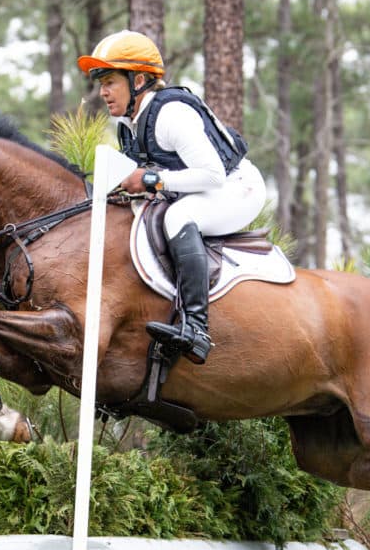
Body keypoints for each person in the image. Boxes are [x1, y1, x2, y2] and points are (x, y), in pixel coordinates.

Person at [77, 30, 267, 364]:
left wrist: (149, 179)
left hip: (237, 188)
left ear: (137, 80)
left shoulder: (170, 115)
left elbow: (211, 175)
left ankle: (196, 327)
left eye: (109, 81)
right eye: (100, 83)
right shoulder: (129, 124)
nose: (102, 92)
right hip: (205, 187)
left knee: (179, 217)